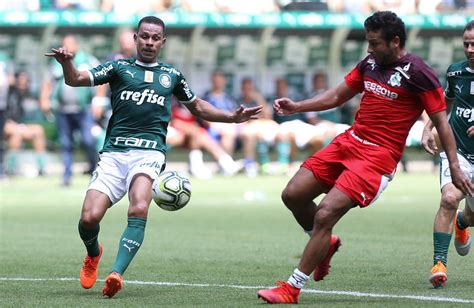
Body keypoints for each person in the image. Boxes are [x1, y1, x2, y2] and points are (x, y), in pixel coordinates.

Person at [256, 11, 474, 304]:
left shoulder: (420, 74)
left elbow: (442, 123)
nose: (369, 49)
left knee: (325, 214)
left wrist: (456, 166)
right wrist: (297, 107)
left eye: (375, 43)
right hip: (349, 141)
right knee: (292, 194)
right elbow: (336, 96)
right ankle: (325, 244)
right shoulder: (370, 63)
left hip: (378, 158)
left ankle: (292, 288)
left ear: (395, 41)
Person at [45, 15, 262, 298]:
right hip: (114, 153)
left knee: (138, 207)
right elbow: (75, 80)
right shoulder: (118, 67)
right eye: (144, 36)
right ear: (135, 39)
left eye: (154, 37)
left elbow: (197, 106)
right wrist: (66, 64)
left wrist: (231, 117)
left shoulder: (171, 76)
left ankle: (116, 274)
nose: (149, 41)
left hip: (149, 152)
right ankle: (93, 253)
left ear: (162, 42)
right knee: (88, 218)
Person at [422, 20, 474, 289]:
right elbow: (444, 102)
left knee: (472, 214)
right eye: (466, 43)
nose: (469, 49)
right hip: (458, 150)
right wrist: (428, 127)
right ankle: (439, 263)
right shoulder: (456, 72)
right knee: (450, 197)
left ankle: (463, 222)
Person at [40, 34, 105, 186]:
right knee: (65, 143)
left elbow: (102, 80)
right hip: (63, 110)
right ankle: (67, 176)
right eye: (64, 44)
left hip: (84, 109)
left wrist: (99, 101)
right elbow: (47, 82)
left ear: (77, 45)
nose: (67, 47)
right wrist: (44, 99)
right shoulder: (56, 62)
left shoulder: (88, 60)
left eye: (69, 44)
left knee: (88, 140)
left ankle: (93, 168)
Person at [4, 70, 47, 176]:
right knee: (16, 133)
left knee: (38, 130)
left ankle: (41, 168)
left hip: (20, 125)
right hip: (5, 124)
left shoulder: (29, 94)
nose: (23, 83)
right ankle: (11, 169)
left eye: (26, 80)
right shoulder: (7, 92)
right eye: (21, 80)